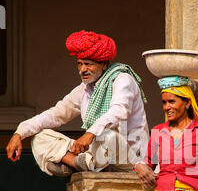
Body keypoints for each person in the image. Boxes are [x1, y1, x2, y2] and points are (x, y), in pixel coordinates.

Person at [6, 30, 148, 176]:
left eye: (88, 64)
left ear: (104, 64)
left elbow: (119, 111)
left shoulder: (122, 79)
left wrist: (90, 133)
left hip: (128, 159)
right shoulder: (84, 89)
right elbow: (56, 114)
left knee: (107, 135)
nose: (82, 70)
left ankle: (75, 163)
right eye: (79, 64)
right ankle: (76, 163)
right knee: (39, 137)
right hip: (95, 156)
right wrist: (19, 133)